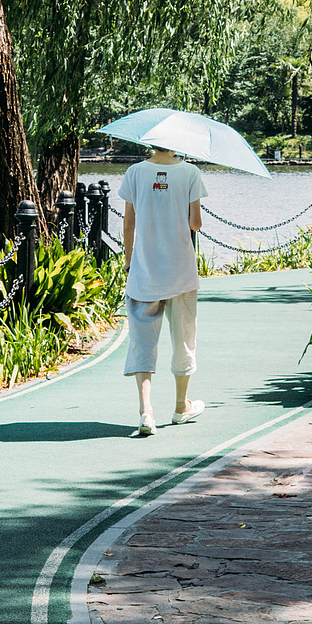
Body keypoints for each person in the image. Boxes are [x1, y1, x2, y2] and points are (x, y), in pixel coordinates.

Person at [120, 145, 207, 436]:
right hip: (181, 272)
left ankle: (146, 412)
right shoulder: (190, 172)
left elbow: (128, 223)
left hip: (144, 271)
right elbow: (195, 223)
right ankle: (181, 406)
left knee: (143, 342)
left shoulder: (134, 172)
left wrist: (128, 262)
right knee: (184, 339)